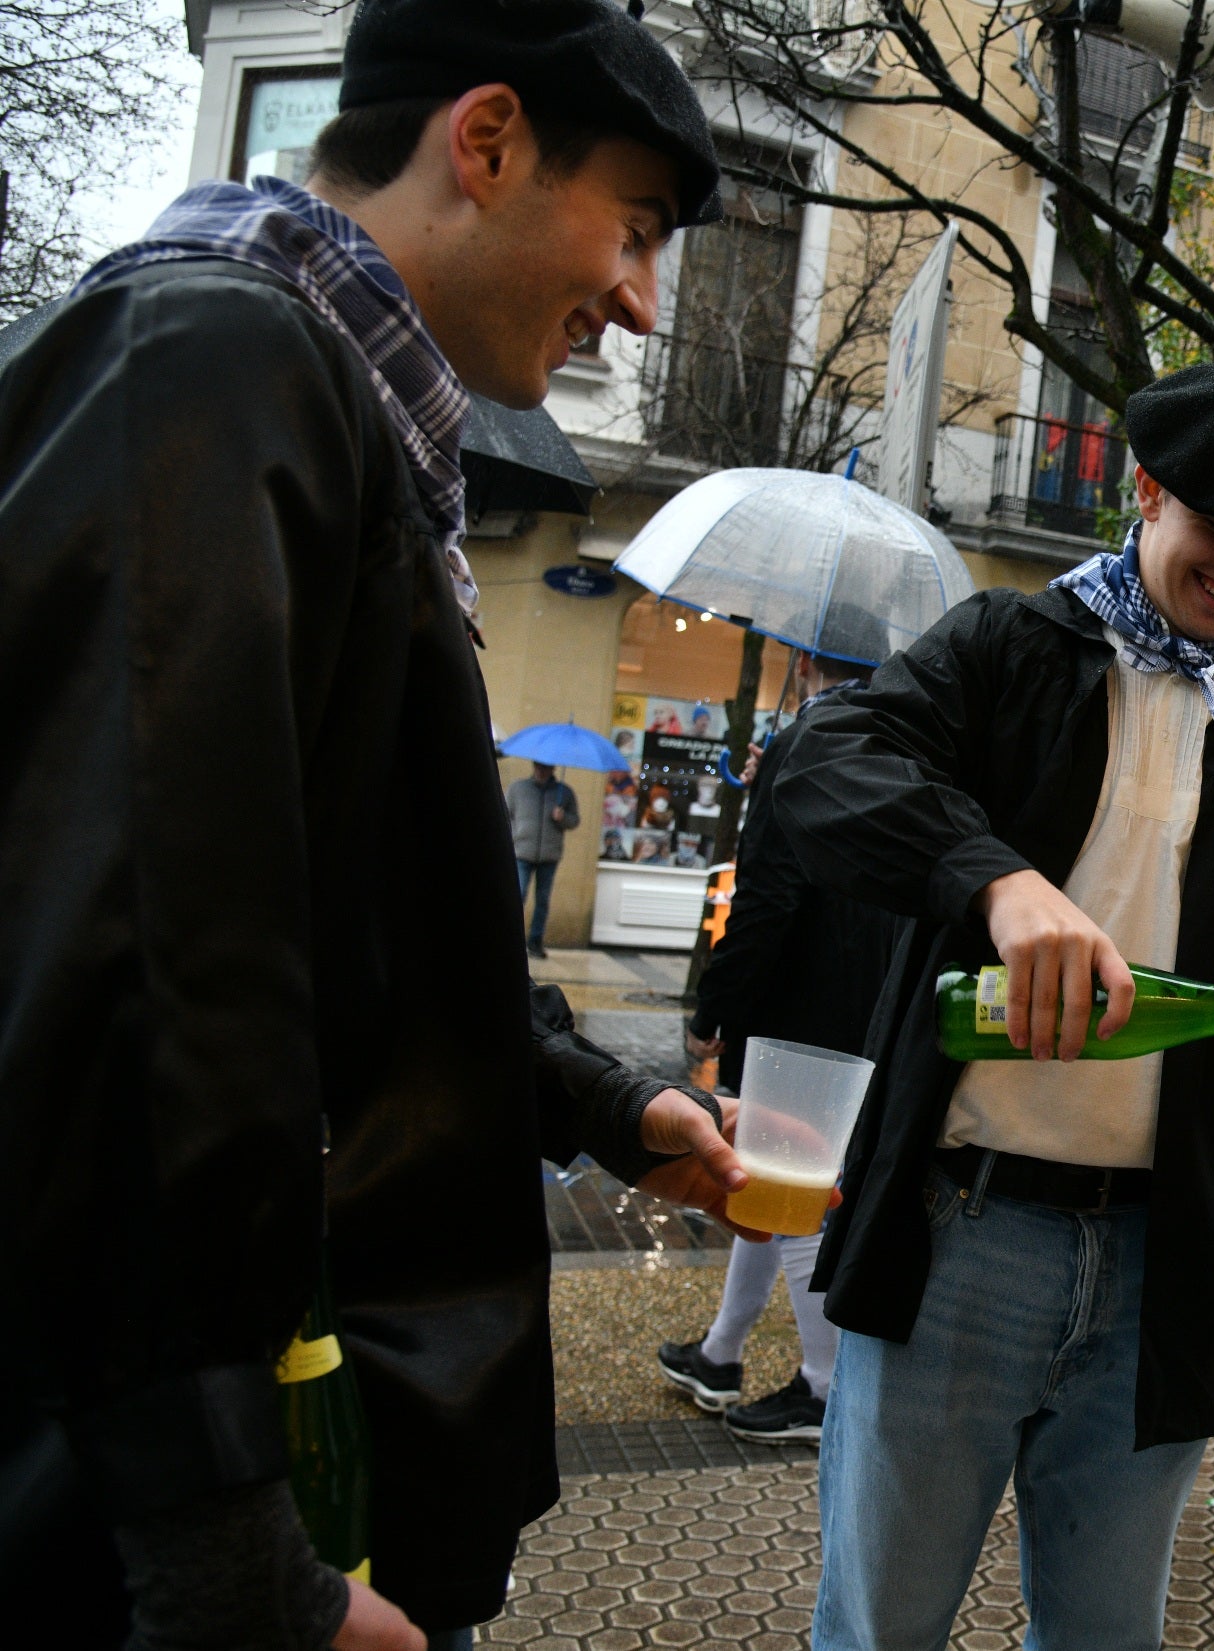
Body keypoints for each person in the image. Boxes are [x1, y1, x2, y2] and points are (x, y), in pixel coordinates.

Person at [0, 4, 750, 1647]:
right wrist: (220, 1551)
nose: (634, 302)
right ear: (480, 143)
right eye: (629, 229)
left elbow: (334, 913)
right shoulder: (218, 357)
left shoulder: (314, 400)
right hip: (214, 1503)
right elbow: (144, 958)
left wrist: (603, 1103)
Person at [764, 362, 1214, 1651]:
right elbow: (826, 762)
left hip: (1174, 1255)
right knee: (881, 1625)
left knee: (1103, 1633)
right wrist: (997, 884)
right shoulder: (1007, 648)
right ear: (1144, 491)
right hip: (965, 1231)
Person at [658, 647, 903, 1444]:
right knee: (761, 1177)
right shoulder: (897, 744)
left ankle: (825, 1388)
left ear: (801, 663)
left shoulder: (803, 746)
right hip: (861, 1006)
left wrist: (714, 1007)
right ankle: (721, 1352)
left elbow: (765, 899)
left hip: (795, 1015)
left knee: (791, 1196)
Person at [507, 759, 579, 959]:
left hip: (549, 854)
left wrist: (562, 817)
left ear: (553, 769)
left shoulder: (564, 793)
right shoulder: (517, 788)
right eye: (538, 766)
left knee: (542, 900)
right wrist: (514, 836)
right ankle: (511, 938)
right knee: (517, 896)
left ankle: (535, 941)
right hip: (522, 851)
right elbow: (505, 815)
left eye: (545, 767)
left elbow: (574, 821)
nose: (541, 771)